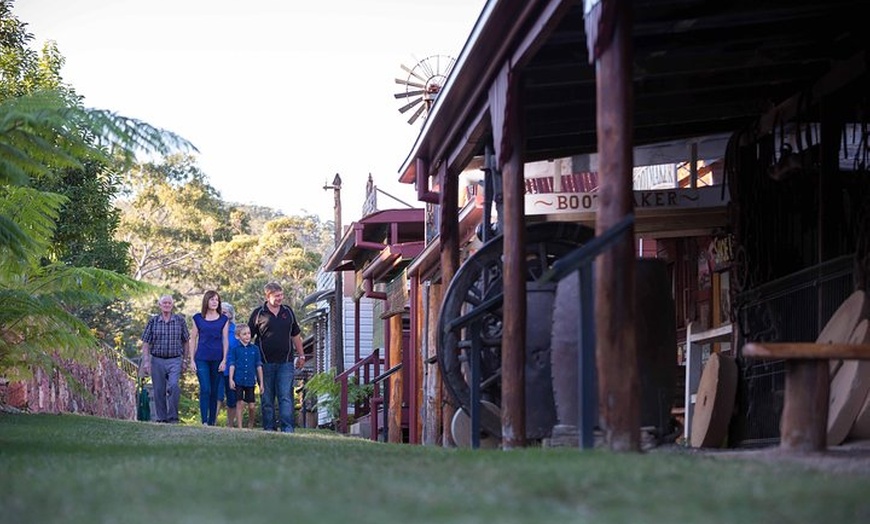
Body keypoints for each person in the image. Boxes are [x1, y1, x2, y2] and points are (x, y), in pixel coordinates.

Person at [248, 282, 305, 432]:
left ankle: (288, 428)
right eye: (277, 295)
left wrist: (301, 355)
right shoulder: (258, 313)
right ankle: (269, 428)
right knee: (267, 398)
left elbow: (296, 335)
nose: (281, 298)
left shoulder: (288, 312)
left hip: (285, 362)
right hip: (264, 363)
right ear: (268, 296)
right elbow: (248, 337)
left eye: (281, 295)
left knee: (285, 396)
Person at [139, 295, 190, 424]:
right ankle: (161, 418)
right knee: (158, 390)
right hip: (157, 360)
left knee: (173, 386)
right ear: (160, 305)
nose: (167, 305)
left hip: (175, 359)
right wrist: (146, 362)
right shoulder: (153, 321)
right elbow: (146, 342)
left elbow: (186, 341)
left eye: (169, 303)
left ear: (172, 305)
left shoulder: (180, 321)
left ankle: (173, 417)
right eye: (164, 303)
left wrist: (185, 360)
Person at [190, 290, 229, 426]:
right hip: (201, 358)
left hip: (217, 359)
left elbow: (225, 340)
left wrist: (224, 360)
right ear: (206, 301)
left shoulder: (223, 319)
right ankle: (204, 421)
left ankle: (212, 421)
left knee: (214, 390)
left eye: (217, 300)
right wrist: (191, 360)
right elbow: (193, 339)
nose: (214, 302)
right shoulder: (198, 318)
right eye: (212, 299)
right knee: (205, 388)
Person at [228, 323, 264, 429]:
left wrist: (261, 382)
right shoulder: (235, 349)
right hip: (238, 380)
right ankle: (239, 427)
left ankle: (250, 424)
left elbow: (258, 366)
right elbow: (232, 365)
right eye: (244, 334)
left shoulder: (255, 349)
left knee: (252, 406)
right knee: (239, 403)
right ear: (238, 336)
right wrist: (231, 379)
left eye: (249, 333)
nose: (247, 336)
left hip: (250, 381)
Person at [218, 302, 240, 427]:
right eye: (221, 312)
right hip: (217, 367)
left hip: (232, 370)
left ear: (231, 315)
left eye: (225, 312)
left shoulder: (236, 330)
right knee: (217, 395)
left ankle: (230, 425)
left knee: (232, 399)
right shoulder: (215, 328)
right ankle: (211, 423)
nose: (222, 314)